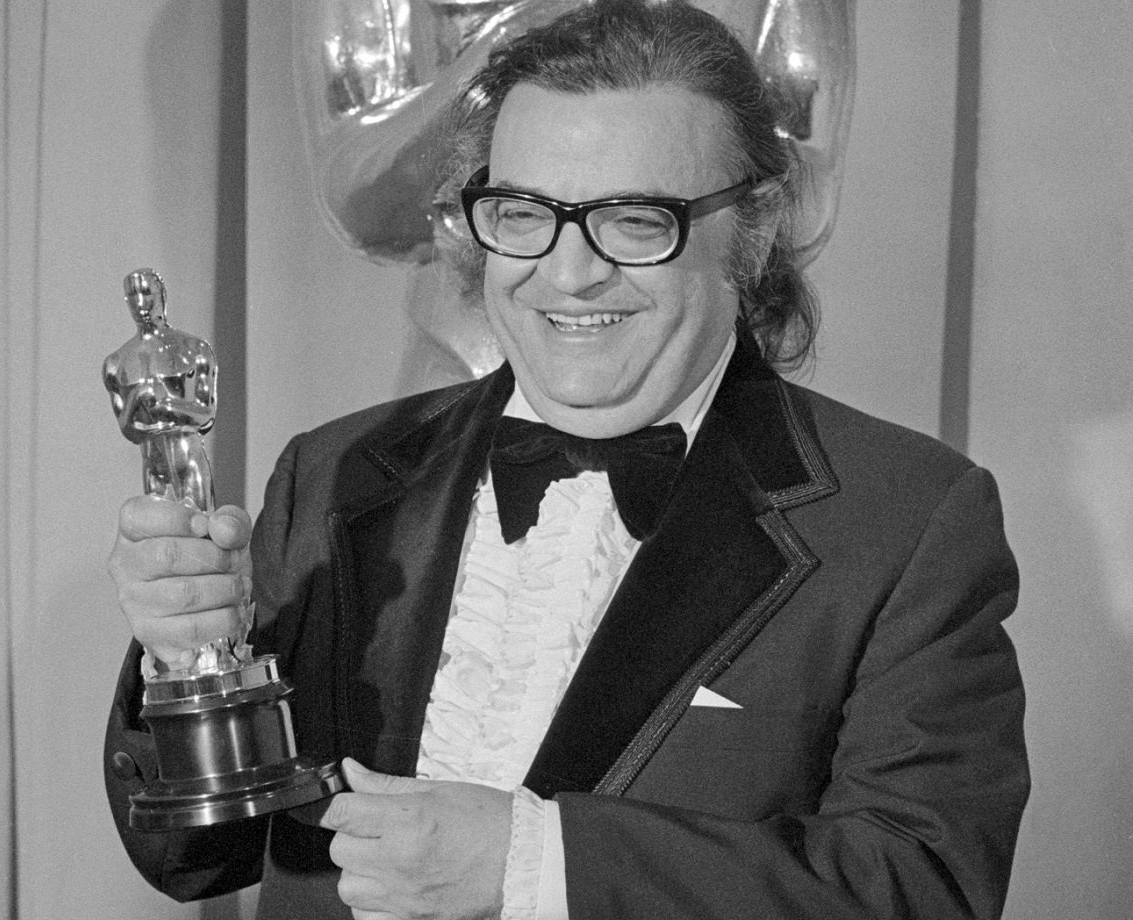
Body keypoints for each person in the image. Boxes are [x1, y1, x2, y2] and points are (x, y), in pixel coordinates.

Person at [104, 2, 1029, 918]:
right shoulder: (332, 473)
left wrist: (538, 865)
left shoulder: (907, 520)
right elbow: (197, 858)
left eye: (633, 220)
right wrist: (187, 658)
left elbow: (922, 886)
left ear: (751, 227)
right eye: (524, 213)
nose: (568, 271)